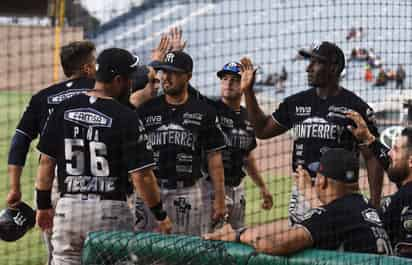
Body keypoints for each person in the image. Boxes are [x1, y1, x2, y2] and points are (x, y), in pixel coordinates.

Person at [35, 48, 172, 265]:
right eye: (128, 79)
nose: (130, 84)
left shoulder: (63, 108)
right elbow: (142, 176)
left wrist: (43, 205)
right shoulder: (125, 116)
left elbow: (46, 163)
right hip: (108, 212)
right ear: (118, 80)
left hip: (68, 208)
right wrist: (160, 215)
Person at [240, 41, 384, 225]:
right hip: (303, 193)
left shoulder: (356, 107)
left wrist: (375, 203)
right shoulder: (295, 103)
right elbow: (262, 131)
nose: (308, 68)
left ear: (334, 67)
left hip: (340, 194)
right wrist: (248, 92)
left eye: (316, 62)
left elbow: (372, 157)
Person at [6, 40, 96, 265]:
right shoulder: (103, 92)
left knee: (58, 257)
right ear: (86, 68)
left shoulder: (42, 98)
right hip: (100, 185)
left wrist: (15, 189)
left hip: (55, 186)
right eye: (94, 62)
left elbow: (19, 141)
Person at [204, 148, 392, 256]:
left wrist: (237, 235)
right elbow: (331, 219)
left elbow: (274, 244)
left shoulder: (334, 215)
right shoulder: (365, 206)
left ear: (322, 180)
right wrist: (309, 193)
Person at [136, 50, 226, 236]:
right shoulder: (146, 109)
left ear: (188, 76)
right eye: (164, 72)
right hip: (150, 191)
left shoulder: (204, 111)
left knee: (184, 252)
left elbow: (214, 158)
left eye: (173, 73)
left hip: (186, 192)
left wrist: (220, 199)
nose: (166, 78)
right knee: (142, 253)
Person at [202, 62, 273, 232]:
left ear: (244, 83)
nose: (228, 83)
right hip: (210, 188)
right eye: (225, 79)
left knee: (238, 236)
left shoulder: (249, 117)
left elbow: (247, 157)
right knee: (208, 238)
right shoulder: (210, 109)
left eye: (234, 80)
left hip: (237, 188)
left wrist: (263, 187)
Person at [346, 111, 412, 258]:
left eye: (395, 149)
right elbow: (394, 164)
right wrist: (369, 139)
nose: (389, 154)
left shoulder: (399, 201)